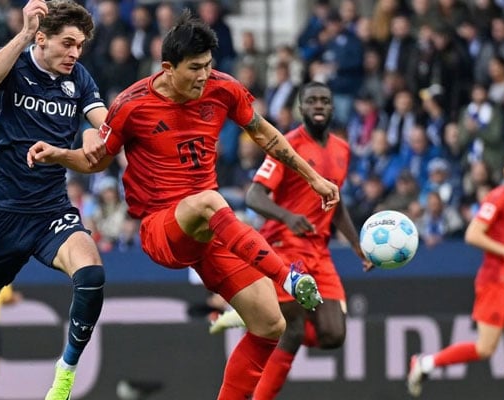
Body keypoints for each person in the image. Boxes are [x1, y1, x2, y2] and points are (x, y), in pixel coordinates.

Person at [26, 10, 340, 399]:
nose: (204, 76)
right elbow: (98, 161)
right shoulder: (131, 105)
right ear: (168, 68)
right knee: (209, 200)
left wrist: (313, 177)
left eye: (208, 66)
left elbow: (264, 134)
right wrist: (59, 154)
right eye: (194, 68)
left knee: (269, 325)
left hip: (212, 233)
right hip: (162, 229)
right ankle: (288, 277)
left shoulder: (223, 89)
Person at [0, 1, 108, 400]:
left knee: (92, 274)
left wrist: (93, 137)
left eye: (80, 46)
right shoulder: (13, 62)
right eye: (68, 43)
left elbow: (107, 128)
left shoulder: (79, 79)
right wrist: (25, 33)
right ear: (42, 38)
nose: (74, 54)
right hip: (1, 213)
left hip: (50, 211)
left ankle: (64, 374)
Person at [210, 81, 373, 399]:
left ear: (332, 106)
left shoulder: (342, 149)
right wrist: (286, 216)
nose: (319, 106)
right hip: (285, 245)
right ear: (301, 108)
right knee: (292, 329)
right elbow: (255, 195)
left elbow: (335, 204)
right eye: (311, 100)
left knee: (333, 335)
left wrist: (356, 246)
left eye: (324, 101)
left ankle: (250, 316)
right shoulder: (286, 146)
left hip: (319, 251)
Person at [407, 149, 504, 400]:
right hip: (494, 280)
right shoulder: (498, 197)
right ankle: (426, 362)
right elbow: (473, 234)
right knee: (485, 349)